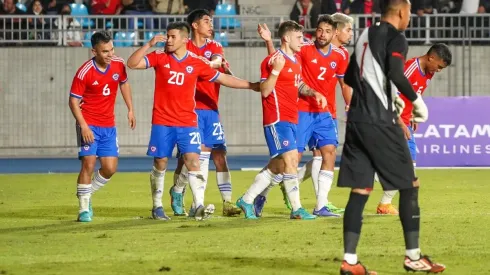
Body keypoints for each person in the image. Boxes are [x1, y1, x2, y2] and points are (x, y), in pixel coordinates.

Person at [337, 0, 446, 273]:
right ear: (400, 12)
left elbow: (350, 76)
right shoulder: (395, 37)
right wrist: (413, 101)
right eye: (409, 11)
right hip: (378, 121)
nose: (409, 17)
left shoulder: (363, 35)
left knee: (360, 190)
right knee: (410, 184)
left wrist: (383, 96)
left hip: (356, 122)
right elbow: (397, 73)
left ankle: (349, 262)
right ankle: (413, 257)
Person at [127, 22, 259, 221]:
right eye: (167, 36)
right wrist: (149, 44)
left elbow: (222, 78)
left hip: (188, 121)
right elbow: (132, 63)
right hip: (162, 120)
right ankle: (157, 206)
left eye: (172, 37)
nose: (168, 40)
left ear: (184, 40)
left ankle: (198, 206)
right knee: (160, 162)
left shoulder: (196, 62)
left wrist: (252, 85)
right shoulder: (159, 57)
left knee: (193, 161)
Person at [254, 15, 347, 217]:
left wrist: (349, 104)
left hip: (325, 112)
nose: (322, 34)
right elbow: (278, 61)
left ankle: (321, 205)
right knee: (289, 159)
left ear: (335, 34)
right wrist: (269, 41)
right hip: (301, 110)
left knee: (329, 152)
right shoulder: (302, 48)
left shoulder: (340, 56)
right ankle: (262, 192)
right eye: (319, 30)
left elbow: (344, 83)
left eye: (327, 31)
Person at [236, 20, 327, 220]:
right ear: (286, 38)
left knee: (279, 165)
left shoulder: (295, 60)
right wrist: (276, 71)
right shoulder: (273, 61)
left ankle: (247, 199)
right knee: (291, 160)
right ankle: (297, 209)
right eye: (298, 37)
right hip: (276, 118)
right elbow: (265, 90)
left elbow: (299, 84)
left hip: (292, 117)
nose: (302, 41)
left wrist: (314, 93)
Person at [170, 9, 242, 217]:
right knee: (189, 158)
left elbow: (217, 62)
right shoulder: (185, 46)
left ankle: (227, 202)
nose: (211, 25)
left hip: (211, 109)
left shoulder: (214, 46)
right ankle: (185, 196)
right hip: (188, 109)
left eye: (211, 22)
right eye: (206, 21)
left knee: (219, 155)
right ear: (194, 25)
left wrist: (212, 66)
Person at [376, 43, 452, 215]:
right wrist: (400, 121)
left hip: (405, 119)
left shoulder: (428, 72)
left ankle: (385, 204)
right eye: (439, 66)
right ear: (431, 57)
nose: (438, 70)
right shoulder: (410, 68)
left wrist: (412, 113)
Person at [68, 30, 136, 223]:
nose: (110, 54)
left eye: (112, 49)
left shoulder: (118, 64)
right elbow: (73, 101)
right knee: (88, 164)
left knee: (110, 168)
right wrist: (84, 126)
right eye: (105, 51)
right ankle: (83, 208)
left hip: (108, 125)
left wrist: (130, 108)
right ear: (94, 52)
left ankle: (85, 193)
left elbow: (124, 84)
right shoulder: (85, 71)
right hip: (89, 124)